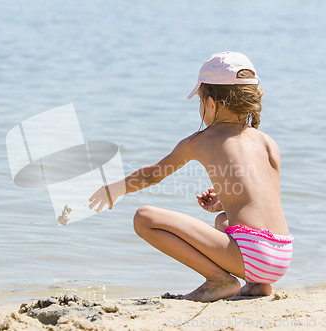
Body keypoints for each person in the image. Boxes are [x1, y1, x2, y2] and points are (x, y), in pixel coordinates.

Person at [88, 51, 293, 302]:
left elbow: (153, 175)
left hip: (253, 254)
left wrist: (115, 189)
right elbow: (265, 197)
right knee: (222, 220)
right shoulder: (267, 142)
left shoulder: (201, 140)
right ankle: (257, 285)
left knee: (144, 218)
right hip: (281, 255)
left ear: (211, 104)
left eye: (199, 101)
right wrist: (226, 200)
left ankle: (220, 280)